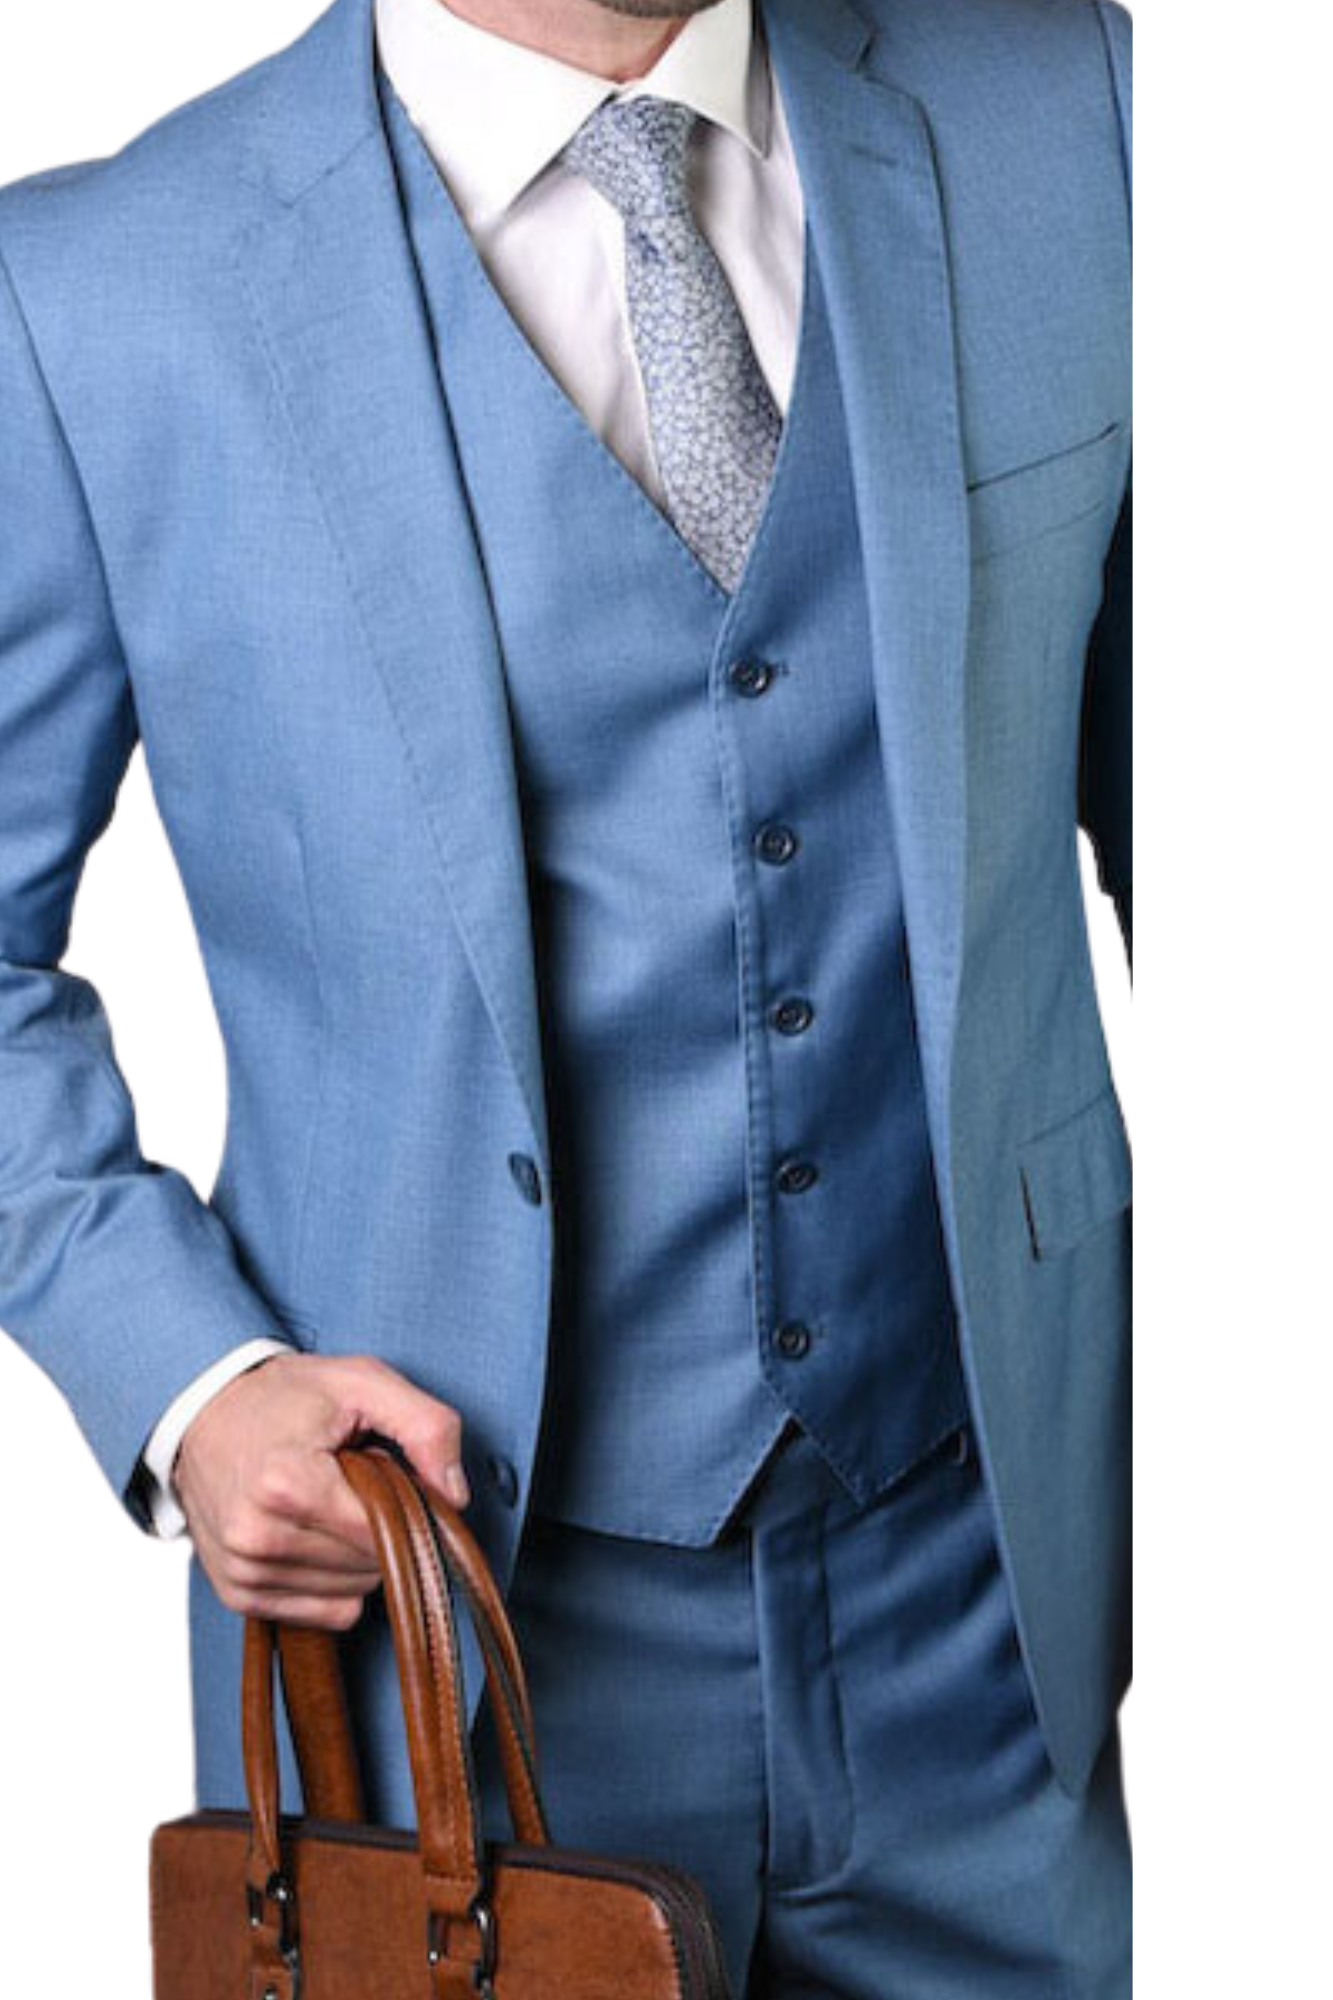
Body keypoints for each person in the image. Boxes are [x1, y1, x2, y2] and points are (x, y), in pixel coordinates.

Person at [0, 0, 1132, 1989]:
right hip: (442, 1660)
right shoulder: (97, 287)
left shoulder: (1072, 101)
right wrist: (189, 1381)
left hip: (993, 1612)